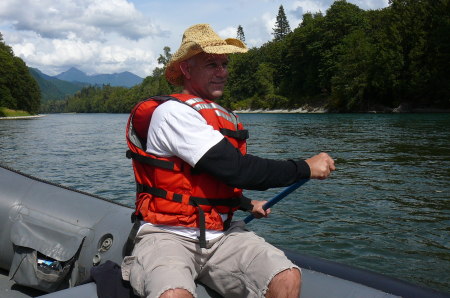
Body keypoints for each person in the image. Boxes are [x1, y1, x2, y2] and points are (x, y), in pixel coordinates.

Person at [122, 24, 335, 298]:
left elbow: (206, 179)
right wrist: (305, 168)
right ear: (186, 69)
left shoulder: (214, 116)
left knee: (287, 278)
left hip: (222, 233)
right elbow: (238, 170)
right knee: (174, 295)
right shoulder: (173, 114)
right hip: (168, 234)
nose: (222, 72)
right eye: (212, 64)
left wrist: (245, 204)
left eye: (225, 63)